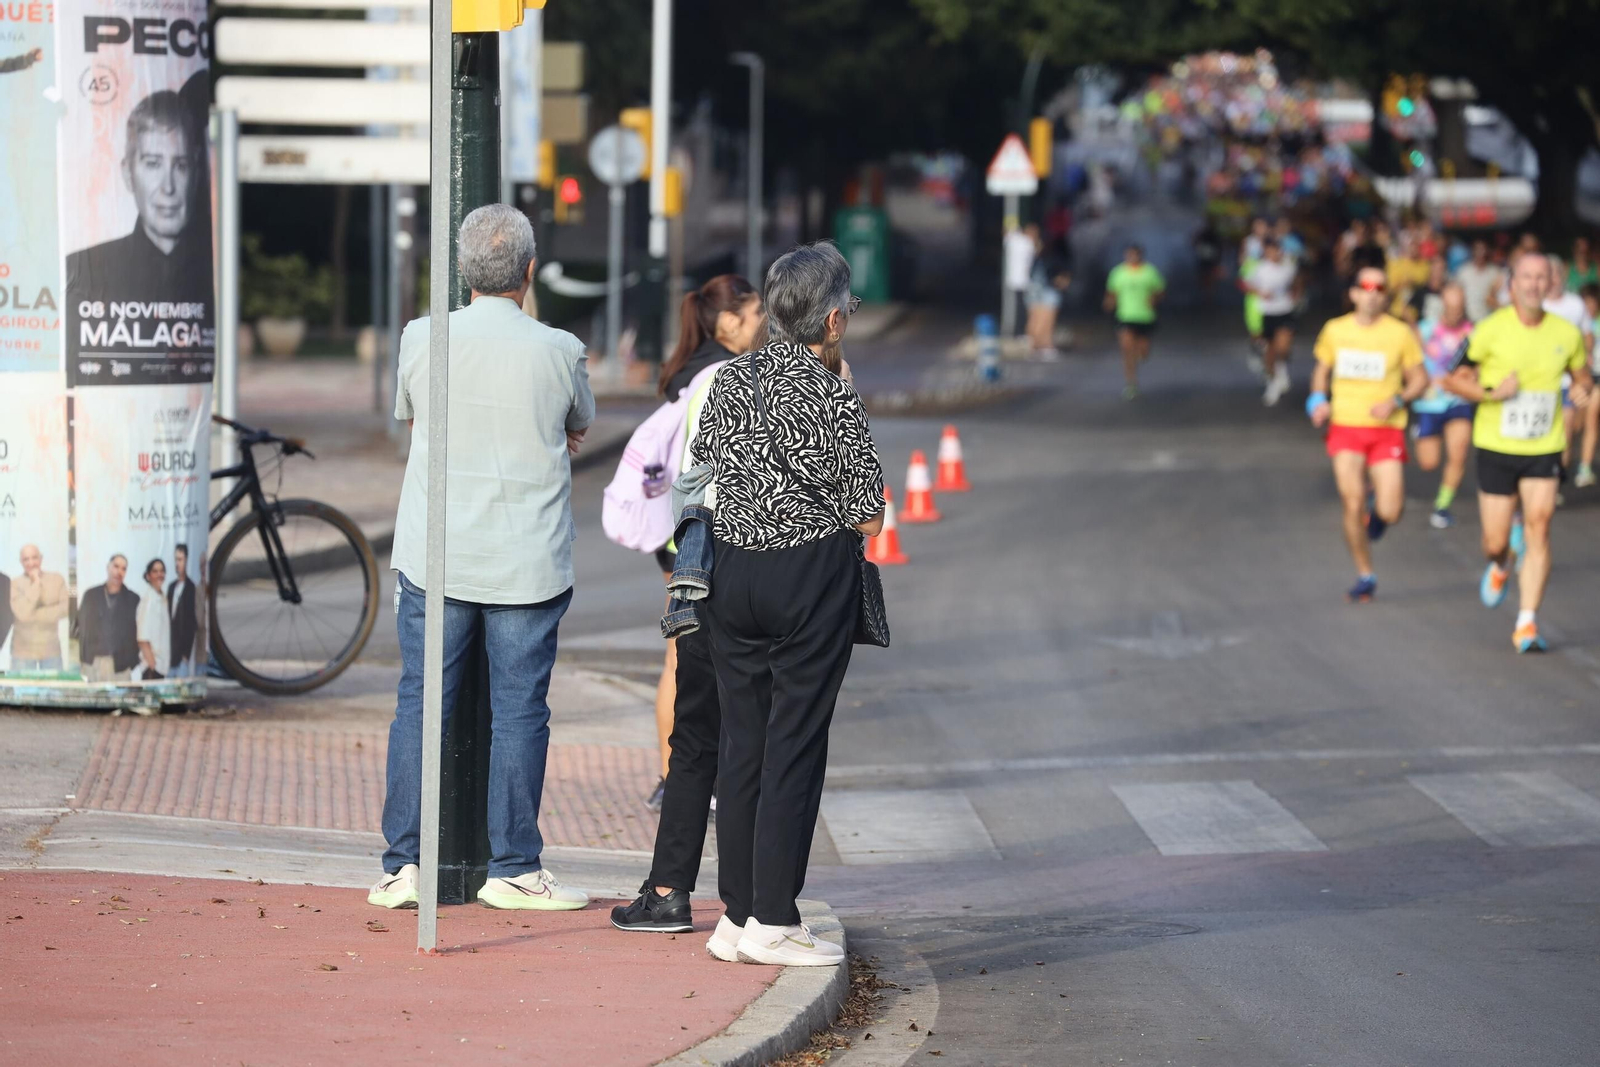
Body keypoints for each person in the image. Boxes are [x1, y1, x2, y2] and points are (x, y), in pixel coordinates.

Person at [372, 203, 595, 911]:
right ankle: (515, 866)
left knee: (419, 705)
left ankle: (402, 865)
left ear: (463, 272)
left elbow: (409, 414)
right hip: (525, 561)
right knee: (520, 712)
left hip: (435, 556)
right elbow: (578, 422)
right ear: (529, 273)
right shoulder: (560, 349)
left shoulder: (420, 337)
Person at [689, 241, 885, 966]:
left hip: (733, 576)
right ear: (831, 322)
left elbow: (706, 462)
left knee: (742, 744)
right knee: (795, 744)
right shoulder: (833, 395)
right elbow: (867, 514)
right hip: (809, 580)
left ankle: (736, 914)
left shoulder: (729, 381)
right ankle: (775, 914)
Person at [612, 279, 770, 935]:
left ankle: (671, 891)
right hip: (761, 572)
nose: (759, 322)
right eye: (752, 311)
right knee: (751, 737)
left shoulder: (704, 380)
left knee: (698, 737)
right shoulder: (786, 380)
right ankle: (752, 903)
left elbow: (693, 484)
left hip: (706, 570)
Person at [643, 274, 764, 811]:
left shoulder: (684, 369)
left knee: (681, 653)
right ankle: (680, 779)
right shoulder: (719, 373)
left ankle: (675, 775)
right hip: (698, 530)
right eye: (756, 313)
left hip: (675, 530)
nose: (763, 324)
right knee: (689, 658)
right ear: (729, 320)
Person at [1444, 251, 1595, 652]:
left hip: (1544, 447)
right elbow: (1451, 379)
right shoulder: (1488, 330)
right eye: (1525, 277)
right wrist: (1492, 393)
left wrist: (1583, 389)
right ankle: (1500, 563)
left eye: (1540, 278)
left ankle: (1527, 622)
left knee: (1540, 526)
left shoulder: (1566, 334)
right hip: (1496, 446)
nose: (1533, 284)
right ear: (1511, 284)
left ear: (1551, 284)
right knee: (1493, 543)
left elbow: (1582, 376)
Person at [63, 90, 212, 365]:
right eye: (153, 164)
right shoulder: (80, 272)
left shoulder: (213, 273)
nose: (168, 187)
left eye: (180, 165)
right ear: (128, 174)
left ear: (196, 175)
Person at [1307, 266, 1429, 602]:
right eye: (1366, 286)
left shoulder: (1400, 333)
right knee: (1351, 499)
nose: (1372, 293)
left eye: (1380, 287)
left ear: (1385, 295)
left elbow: (1420, 379)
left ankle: (1377, 514)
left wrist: (1397, 400)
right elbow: (1321, 371)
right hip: (1346, 425)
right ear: (1354, 293)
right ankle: (1365, 574)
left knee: (1392, 511)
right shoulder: (1335, 330)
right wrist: (1317, 401)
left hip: (1386, 429)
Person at [1414, 284, 1477, 528]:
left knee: (1459, 452)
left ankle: (1442, 506)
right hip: (1429, 403)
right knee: (1428, 463)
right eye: (1450, 308)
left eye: (1459, 308)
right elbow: (1410, 362)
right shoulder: (1426, 329)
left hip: (1458, 400)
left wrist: (1472, 377)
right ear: (1442, 306)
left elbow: (1481, 366)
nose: (1455, 313)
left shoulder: (1473, 333)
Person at [1104, 244, 1166, 401]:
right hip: (1125, 316)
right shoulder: (1118, 272)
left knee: (1143, 351)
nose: (1131, 258)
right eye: (1129, 255)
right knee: (1126, 349)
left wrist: (1155, 300)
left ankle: (1140, 355)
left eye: (1135, 255)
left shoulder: (1149, 272)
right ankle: (1131, 383)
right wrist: (1109, 303)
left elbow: (1160, 291)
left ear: (1140, 256)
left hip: (1145, 316)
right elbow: (1112, 292)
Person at [1247, 237, 1298, 406]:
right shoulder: (1260, 269)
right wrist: (1260, 293)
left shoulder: (1288, 267)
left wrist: (1296, 296)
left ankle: (1281, 366)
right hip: (1268, 313)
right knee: (1270, 352)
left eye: (1275, 250)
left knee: (1283, 347)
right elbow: (1246, 284)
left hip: (1285, 311)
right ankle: (1273, 381)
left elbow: (1298, 282)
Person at [76, 555, 141, 683]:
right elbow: (80, 628)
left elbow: (138, 633)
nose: (119, 572)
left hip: (121, 666)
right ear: (108, 568)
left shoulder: (133, 599)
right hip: (94, 663)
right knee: (92, 701)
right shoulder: (91, 595)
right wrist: (84, 659)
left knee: (121, 701)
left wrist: (131, 662)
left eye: (124, 569)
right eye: (116, 566)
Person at [9, 545, 69, 672]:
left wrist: (33, 614)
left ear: (41, 558)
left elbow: (65, 609)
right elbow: (22, 614)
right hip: (22, 653)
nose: (31, 563)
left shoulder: (57, 579)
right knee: (21, 691)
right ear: (21, 562)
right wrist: (36, 582)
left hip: (51, 651)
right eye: (26, 559)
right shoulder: (14, 584)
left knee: (53, 691)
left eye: (34, 558)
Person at [1025, 237, 1071, 360]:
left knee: (1035, 318)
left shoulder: (1035, 257)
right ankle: (1046, 345)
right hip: (1048, 289)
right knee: (1047, 319)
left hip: (1033, 289)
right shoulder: (1053, 258)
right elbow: (1057, 276)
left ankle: (1035, 345)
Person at [1574, 282, 1600, 488]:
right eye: (1586, 303)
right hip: (1581, 378)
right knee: (1577, 425)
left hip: (1598, 377)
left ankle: (1584, 467)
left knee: (1592, 417)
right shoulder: (1576, 324)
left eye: (1592, 303)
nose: (1589, 307)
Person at [135, 558, 171, 682]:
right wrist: (153, 666)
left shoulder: (162, 598)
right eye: (155, 571)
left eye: (162, 571)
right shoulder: (148, 601)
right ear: (148, 576)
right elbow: (142, 639)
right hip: (152, 670)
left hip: (161, 668)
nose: (159, 574)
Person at [166, 543, 198, 677]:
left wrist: (186, 656)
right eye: (176, 559)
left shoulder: (191, 588)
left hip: (182, 655)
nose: (177, 563)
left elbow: (192, 622)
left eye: (180, 559)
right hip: (170, 653)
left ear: (186, 560)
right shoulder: (171, 587)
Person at [1002, 222, 1038, 337]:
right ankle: (1021, 331)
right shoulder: (1027, 243)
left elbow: (1008, 235)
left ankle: (1018, 331)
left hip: (1014, 280)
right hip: (1024, 281)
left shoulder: (1015, 241)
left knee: (1018, 307)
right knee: (1024, 309)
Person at [1455, 239, 1503, 322]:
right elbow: (1457, 296)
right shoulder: (1464, 272)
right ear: (1473, 251)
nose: (1481, 253)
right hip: (1467, 321)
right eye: (1478, 250)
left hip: (1488, 319)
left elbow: (1500, 297)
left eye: (1483, 250)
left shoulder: (1494, 272)